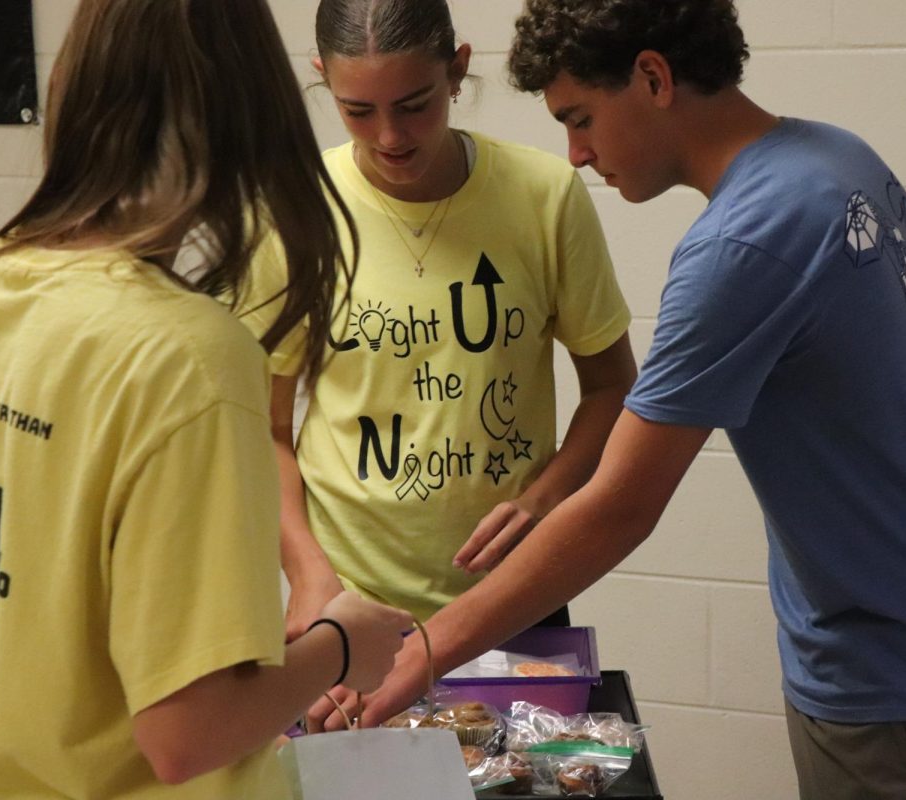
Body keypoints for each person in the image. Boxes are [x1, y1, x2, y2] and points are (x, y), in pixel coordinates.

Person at [331, 1, 906, 798]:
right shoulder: (834, 158)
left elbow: (620, 507)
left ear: (654, 77)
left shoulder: (745, 242)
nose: (579, 152)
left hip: (897, 670)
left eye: (581, 117)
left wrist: (422, 651)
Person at [0, 0, 414, 797]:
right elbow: (187, 732)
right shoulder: (186, 357)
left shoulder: (2, 282)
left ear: (68, 89)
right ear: (248, 119)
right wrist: (344, 644)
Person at [238, 0, 635, 643]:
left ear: (457, 71)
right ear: (323, 78)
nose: (390, 137)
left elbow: (613, 387)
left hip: (514, 595)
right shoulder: (294, 211)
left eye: (416, 103)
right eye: (357, 111)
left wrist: (544, 499)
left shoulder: (543, 195)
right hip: (349, 599)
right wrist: (310, 575)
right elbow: (265, 430)